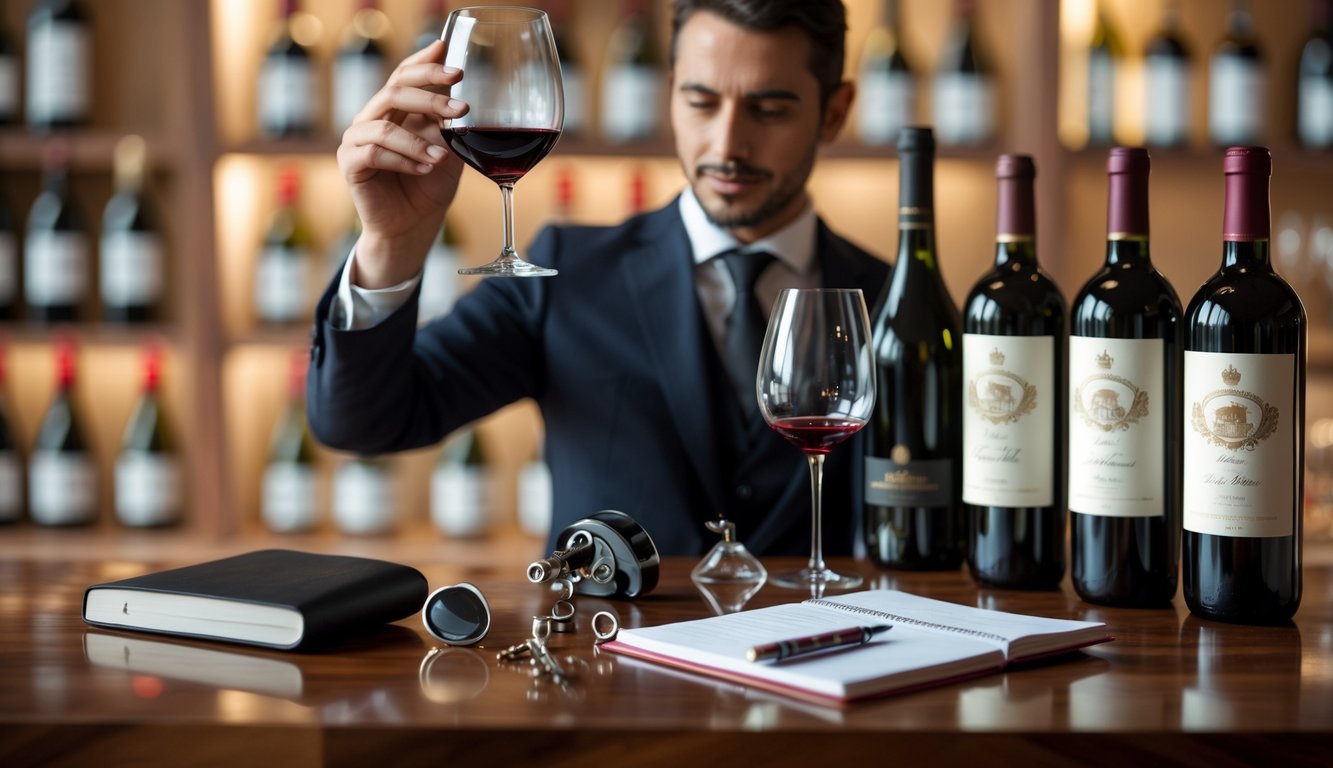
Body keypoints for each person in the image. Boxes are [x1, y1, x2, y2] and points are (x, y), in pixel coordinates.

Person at [308, 0, 890, 556]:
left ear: (834, 113)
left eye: (769, 109)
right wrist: (392, 243)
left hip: (816, 648)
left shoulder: (895, 303)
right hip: (602, 650)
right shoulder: (567, 270)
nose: (728, 144)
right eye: (701, 101)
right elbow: (364, 423)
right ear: (669, 96)